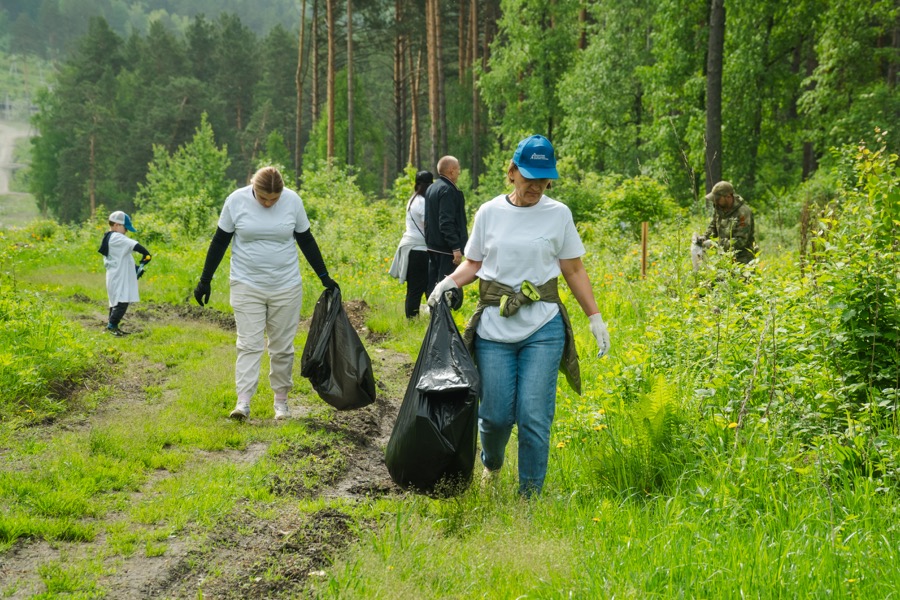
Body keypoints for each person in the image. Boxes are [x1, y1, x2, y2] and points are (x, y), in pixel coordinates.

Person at [427, 134, 611, 497]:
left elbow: (573, 269)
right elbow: (474, 263)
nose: (537, 186)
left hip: (543, 327)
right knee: (495, 417)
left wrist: (595, 317)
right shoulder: (489, 212)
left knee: (533, 416)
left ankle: (530, 497)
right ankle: (491, 464)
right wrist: (447, 282)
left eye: (544, 179)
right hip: (494, 327)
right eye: (529, 177)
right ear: (512, 172)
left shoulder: (559, 214)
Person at [193, 166, 338, 421]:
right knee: (249, 344)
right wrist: (205, 280)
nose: (268, 203)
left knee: (282, 347)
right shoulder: (236, 201)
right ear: (253, 188)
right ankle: (243, 403)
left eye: (274, 199)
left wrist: (324, 276)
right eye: (263, 198)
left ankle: (281, 402)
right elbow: (220, 241)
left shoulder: (292, 201)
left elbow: (306, 240)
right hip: (246, 284)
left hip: (286, 286)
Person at [99, 211, 151, 336]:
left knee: (116, 302)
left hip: (115, 275)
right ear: (117, 225)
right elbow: (134, 245)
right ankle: (111, 327)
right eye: (125, 228)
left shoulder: (109, 237)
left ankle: (112, 326)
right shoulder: (116, 237)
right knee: (122, 302)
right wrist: (146, 254)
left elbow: (123, 257)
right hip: (119, 276)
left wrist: (135, 268)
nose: (126, 231)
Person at [389, 170, 434, 318]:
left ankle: (413, 320)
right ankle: (420, 320)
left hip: (412, 249)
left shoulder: (413, 200)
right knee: (423, 288)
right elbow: (429, 226)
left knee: (414, 288)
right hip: (419, 250)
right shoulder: (423, 203)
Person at [424, 155, 468, 295]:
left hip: (432, 246)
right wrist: (455, 247)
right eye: (458, 169)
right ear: (451, 170)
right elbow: (446, 221)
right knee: (447, 290)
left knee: (433, 286)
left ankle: (433, 309)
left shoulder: (432, 188)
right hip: (446, 249)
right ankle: (440, 310)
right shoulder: (448, 190)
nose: (459, 172)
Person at [695, 180, 756, 264]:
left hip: (742, 260)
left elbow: (741, 241)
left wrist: (716, 243)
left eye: (717, 199)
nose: (715, 201)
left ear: (728, 197)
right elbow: (713, 226)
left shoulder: (743, 213)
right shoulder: (719, 208)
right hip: (723, 257)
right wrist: (705, 237)